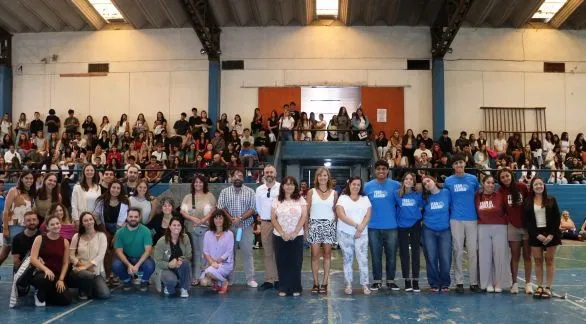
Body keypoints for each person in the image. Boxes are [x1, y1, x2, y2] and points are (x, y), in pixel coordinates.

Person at [444, 154, 481, 293]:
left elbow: (478, 195)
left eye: (461, 162)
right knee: (458, 250)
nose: (459, 165)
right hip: (456, 219)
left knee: (472, 251)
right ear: (453, 166)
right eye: (456, 163)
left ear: (464, 163)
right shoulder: (448, 181)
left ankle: (473, 282)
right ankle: (459, 282)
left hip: (472, 218)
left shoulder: (473, 179)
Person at [363, 160, 401, 291]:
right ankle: (377, 280)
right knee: (375, 254)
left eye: (384, 169)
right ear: (375, 171)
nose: (381, 171)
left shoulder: (396, 185)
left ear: (388, 171)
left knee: (391, 255)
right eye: (378, 169)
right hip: (373, 227)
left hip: (391, 227)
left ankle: (390, 281)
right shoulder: (367, 186)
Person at [217, 168, 257, 287]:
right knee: (229, 254)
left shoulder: (250, 191)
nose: (238, 178)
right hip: (230, 229)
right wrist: (231, 219)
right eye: (235, 175)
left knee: (247, 253)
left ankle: (250, 279)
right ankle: (229, 279)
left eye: (240, 175)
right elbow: (221, 207)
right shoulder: (224, 192)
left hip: (245, 227)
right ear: (231, 177)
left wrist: (240, 218)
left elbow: (253, 208)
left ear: (243, 178)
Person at [524, 177, 562, 299]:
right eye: (536, 184)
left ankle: (548, 287)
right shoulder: (528, 201)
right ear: (532, 187)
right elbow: (528, 221)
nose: (539, 186)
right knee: (538, 260)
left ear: (544, 186)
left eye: (541, 184)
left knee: (549, 260)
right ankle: (539, 286)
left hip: (551, 233)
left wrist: (551, 234)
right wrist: (536, 234)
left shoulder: (551, 200)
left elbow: (557, 218)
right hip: (536, 234)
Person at [270, 176, 307, 297]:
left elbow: (304, 216)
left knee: (296, 262)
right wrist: (282, 233)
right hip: (280, 236)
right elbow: (273, 219)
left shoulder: (300, 199)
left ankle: (296, 287)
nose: (289, 186)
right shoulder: (276, 200)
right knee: (282, 262)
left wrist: (295, 232)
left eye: (292, 184)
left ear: (295, 186)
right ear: (282, 186)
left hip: (297, 236)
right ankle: (283, 287)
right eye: (286, 184)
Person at [497, 168, 532, 294]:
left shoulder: (522, 186)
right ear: (500, 180)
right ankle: (515, 283)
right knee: (515, 256)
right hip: (512, 226)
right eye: (502, 177)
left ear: (511, 175)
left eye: (507, 175)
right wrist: (508, 220)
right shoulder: (501, 191)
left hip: (526, 226)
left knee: (527, 256)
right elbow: (501, 210)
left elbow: (529, 204)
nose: (505, 178)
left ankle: (528, 283)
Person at [336, 176, 372, 295]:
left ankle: (365, 284)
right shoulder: (342, 198)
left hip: (362, 233)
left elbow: (368, 215)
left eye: (358, 184)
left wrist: (361, 227)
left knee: (363, 259)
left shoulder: (365, 199)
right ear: (349, 185)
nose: (356, 186)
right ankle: (348, 284)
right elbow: (341, 215)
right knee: (347, 259)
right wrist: (357, 226)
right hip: (345, 233)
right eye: (354, 184)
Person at [476, 175, 511, 293]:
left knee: (500, 255)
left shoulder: (500, 196)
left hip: (500, 227)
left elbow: (508, 211)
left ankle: (499, 282)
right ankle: (487, 283)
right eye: (488, 183)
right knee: (485, 256)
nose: (490, 185)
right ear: (483, 184)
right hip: (482, 227)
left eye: (492, 183)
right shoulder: (477, 197)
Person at [180, 174, 216, 286]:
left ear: (204, 183)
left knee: (205, 254)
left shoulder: (210, 196)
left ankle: (205, 276)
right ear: (193, 184)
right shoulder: (188, 197)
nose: (198, 184)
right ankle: (195, 277)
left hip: (206, 229)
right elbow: (182, 212)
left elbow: (214, 211)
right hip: (191, 229)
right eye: (196, 182)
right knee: (194, 253)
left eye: (200, 182)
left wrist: (202, 220)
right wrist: (193, 219)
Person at [306, 167, 337, 294]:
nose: (322, 178)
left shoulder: (334, 193)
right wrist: (306, 227)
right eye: (320, 175)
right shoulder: (311, 192)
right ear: (316, 178)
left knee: (327, 255)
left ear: (328, 177)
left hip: (329, 225)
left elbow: (336, 212)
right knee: (314, 255)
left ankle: (324, 283)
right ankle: (315, 283)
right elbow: (307, 211)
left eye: (325, 175)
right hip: (314, 224)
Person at [30, 215, 71, 306]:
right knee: (43, 280)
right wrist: (46, 269)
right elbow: (33, 258)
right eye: (52, 224)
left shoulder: (65, 242)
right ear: (47, 227)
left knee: (65, 301)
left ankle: (47, 292)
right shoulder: (40, 238)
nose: (56, 226)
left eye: (57, 223)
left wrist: (61, 279)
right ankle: (39, 293)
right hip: (42, 273)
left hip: (56, 275)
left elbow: (65, 263)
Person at [68, 212, 110, 300]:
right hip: (79, 269)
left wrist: (88, 266)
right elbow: (71, 255)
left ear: (94, 221)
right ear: (82, 223)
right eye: (86, 220)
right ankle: (83, 288)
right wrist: (82, 266)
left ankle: (88, 288)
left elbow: (100, 256)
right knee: (87, 275)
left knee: (104, 294)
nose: (89, 222)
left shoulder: (101, 236)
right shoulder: (77, 236)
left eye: (90, 219)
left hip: (95, 271)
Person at [421, 175, 452, 292]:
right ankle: (434, 283)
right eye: (424, 184)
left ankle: (445, 283)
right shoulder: (425, 197)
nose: (427, 184)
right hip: (429, 230)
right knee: (431, 257)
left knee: (445, 258)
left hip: (445, 230)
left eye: (428, 181)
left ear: (434, 180)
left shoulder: (446, 193)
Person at [112, 207, 155, 292]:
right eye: (131, 216)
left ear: (139, 218)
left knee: (150, 266)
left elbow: (148, 251)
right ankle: (126, 280)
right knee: (115, 265)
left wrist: (137, 266)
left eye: (136, 217)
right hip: (127, 258)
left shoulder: (146, 231)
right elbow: (118, 252)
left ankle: (144, 281)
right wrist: (129, 265)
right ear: (127, 217)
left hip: (141, 258)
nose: (133, 219)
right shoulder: (120, 232)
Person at [94, 181, 129, 281]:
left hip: (119, 229)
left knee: (116, 250)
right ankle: (106, 274)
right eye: (114, 187)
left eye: (118, 188)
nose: (116, 190)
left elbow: (122, 222)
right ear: (109, 188)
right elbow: (96, 217)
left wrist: (115, 236)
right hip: (103, 228)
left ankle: (116, 274)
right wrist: (105, 233)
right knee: (105, 250)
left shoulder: (124, 202)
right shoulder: (101, 200)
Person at [394, 172, 423, 292]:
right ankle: (407, 281)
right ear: (403, 181)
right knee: (404, 254)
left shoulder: (418, 194)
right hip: (402, 226)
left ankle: (415, 280)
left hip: (415, 225)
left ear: (414, 182)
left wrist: (415, 215)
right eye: (406, 179)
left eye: (411, 179)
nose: (408, 181)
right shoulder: (397, 194)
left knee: (416, 253)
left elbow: (421, 207)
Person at [0, 171, 35, 268]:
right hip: (13, 227)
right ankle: (16, 281)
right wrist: (5, 228)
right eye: (26, 178)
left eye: (31, 178)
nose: (29, 180)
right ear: (22, 179)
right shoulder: (13, 191)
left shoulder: (30, 194)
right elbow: (6, 210)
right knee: (17, 257)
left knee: (4, 254)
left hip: (24, 227)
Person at [254, 165, 280, 291]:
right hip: (265, 223)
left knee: (279, 252)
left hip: (280, 223)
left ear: (275, 173)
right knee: (268, 253)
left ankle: (279, 279)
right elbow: (258, 207)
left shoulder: (281, 187)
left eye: (271, 172)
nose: (269, 174)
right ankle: (270, 280)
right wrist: (264, 218)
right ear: (264, 174)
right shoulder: (259, 190)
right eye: (267, 172)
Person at [153, 217, 192, 297]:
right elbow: (157, 262)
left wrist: (180, 260)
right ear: (169, 226)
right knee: (171, 285)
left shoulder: (185, 238)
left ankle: (184, 289)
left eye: (178, 225)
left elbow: (189, 255)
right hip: (165, 268)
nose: (176, 227)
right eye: (174, 225)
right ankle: (168, 286)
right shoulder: (161, 241)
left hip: (179, 267)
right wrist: (169, 265)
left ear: (181, 227)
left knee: (185, 263)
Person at [200, 210, 234, 294]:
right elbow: (205, 251)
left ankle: (224, 281)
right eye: (216, 218)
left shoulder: (229, 234)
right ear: (212, 220)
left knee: (209, 272)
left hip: (225, 264)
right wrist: (212, 263)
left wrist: (217, 261)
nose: (218, 220)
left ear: (224, 220)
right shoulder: (207, 233)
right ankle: (216, 282)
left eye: (220, 218)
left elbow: (229, 251)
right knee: (203, 282)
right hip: (211, 264)